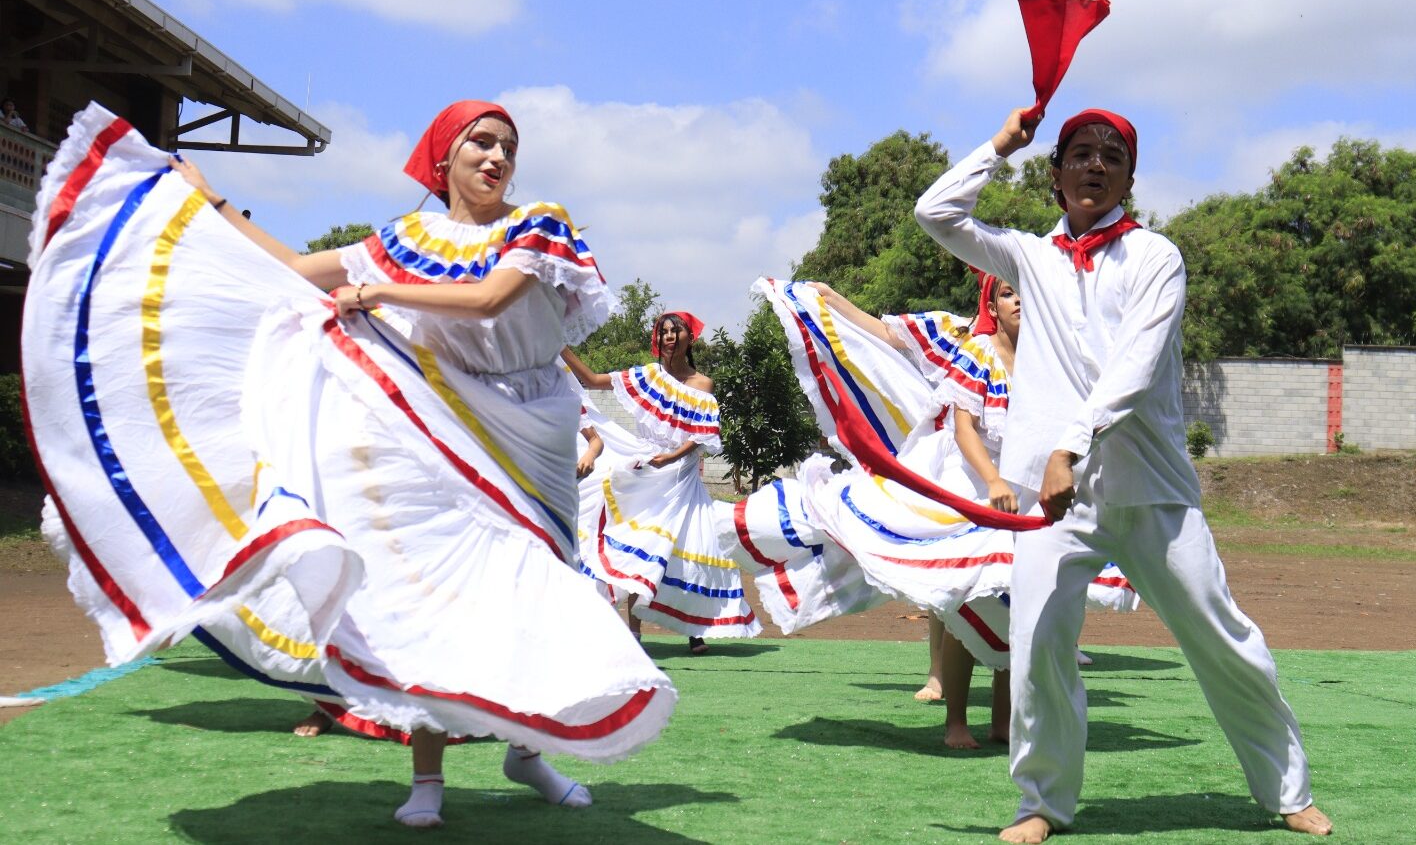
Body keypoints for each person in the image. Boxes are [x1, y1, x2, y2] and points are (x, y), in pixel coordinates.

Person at [24, 100, 675, 829]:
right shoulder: (406, 237)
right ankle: (426, 779)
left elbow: (491, 301)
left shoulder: (539, 223)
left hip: (531, 431)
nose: (496, 158)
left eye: (507, 148)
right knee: (433, 602)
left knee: (535, 589)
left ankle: (526, 752)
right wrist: (213, 205)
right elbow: (297, 270)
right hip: (432, 429)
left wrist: (375, 292)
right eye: (480, 143)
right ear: (444, 157)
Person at [915, 106, 1332, 839]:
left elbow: (1135, 366)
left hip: (1149, 488)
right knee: (1039, 648)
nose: (1095, 166)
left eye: (1112, 156)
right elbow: (936, 212)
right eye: (1080, 154)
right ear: (1055, 173)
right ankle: (1041, 804)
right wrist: (1000, 145)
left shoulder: (1157, 258)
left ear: (1130, 178)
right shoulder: (1027, 258)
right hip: (1055, 505)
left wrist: (1068, 446)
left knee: (1225, 641)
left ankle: (1287, 792)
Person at [733, 276, 1136, 749]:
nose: (1021, 300)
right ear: (992, 301)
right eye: (1007, 292)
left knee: (1013, 602)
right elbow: (950, 410)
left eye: (1029, 291)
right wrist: (830, 299)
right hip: (966, 484)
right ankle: (956, 722)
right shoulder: (970, 343)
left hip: (1023, 491)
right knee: (968, 593)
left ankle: (1004, 722)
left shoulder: (1054, 360)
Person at [563, 313, 761, 653]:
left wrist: (671, 457)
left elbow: (700, 436)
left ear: (689, 338)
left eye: (675, 331)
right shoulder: (648, 376)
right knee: (641, 543)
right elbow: (593, 379)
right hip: (647, 469)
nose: (669, 336)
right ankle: (635, 634)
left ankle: (695, 632)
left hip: (681, 475)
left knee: (694, 549)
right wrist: (559, 347)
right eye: (664, 332)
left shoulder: (702, 384)